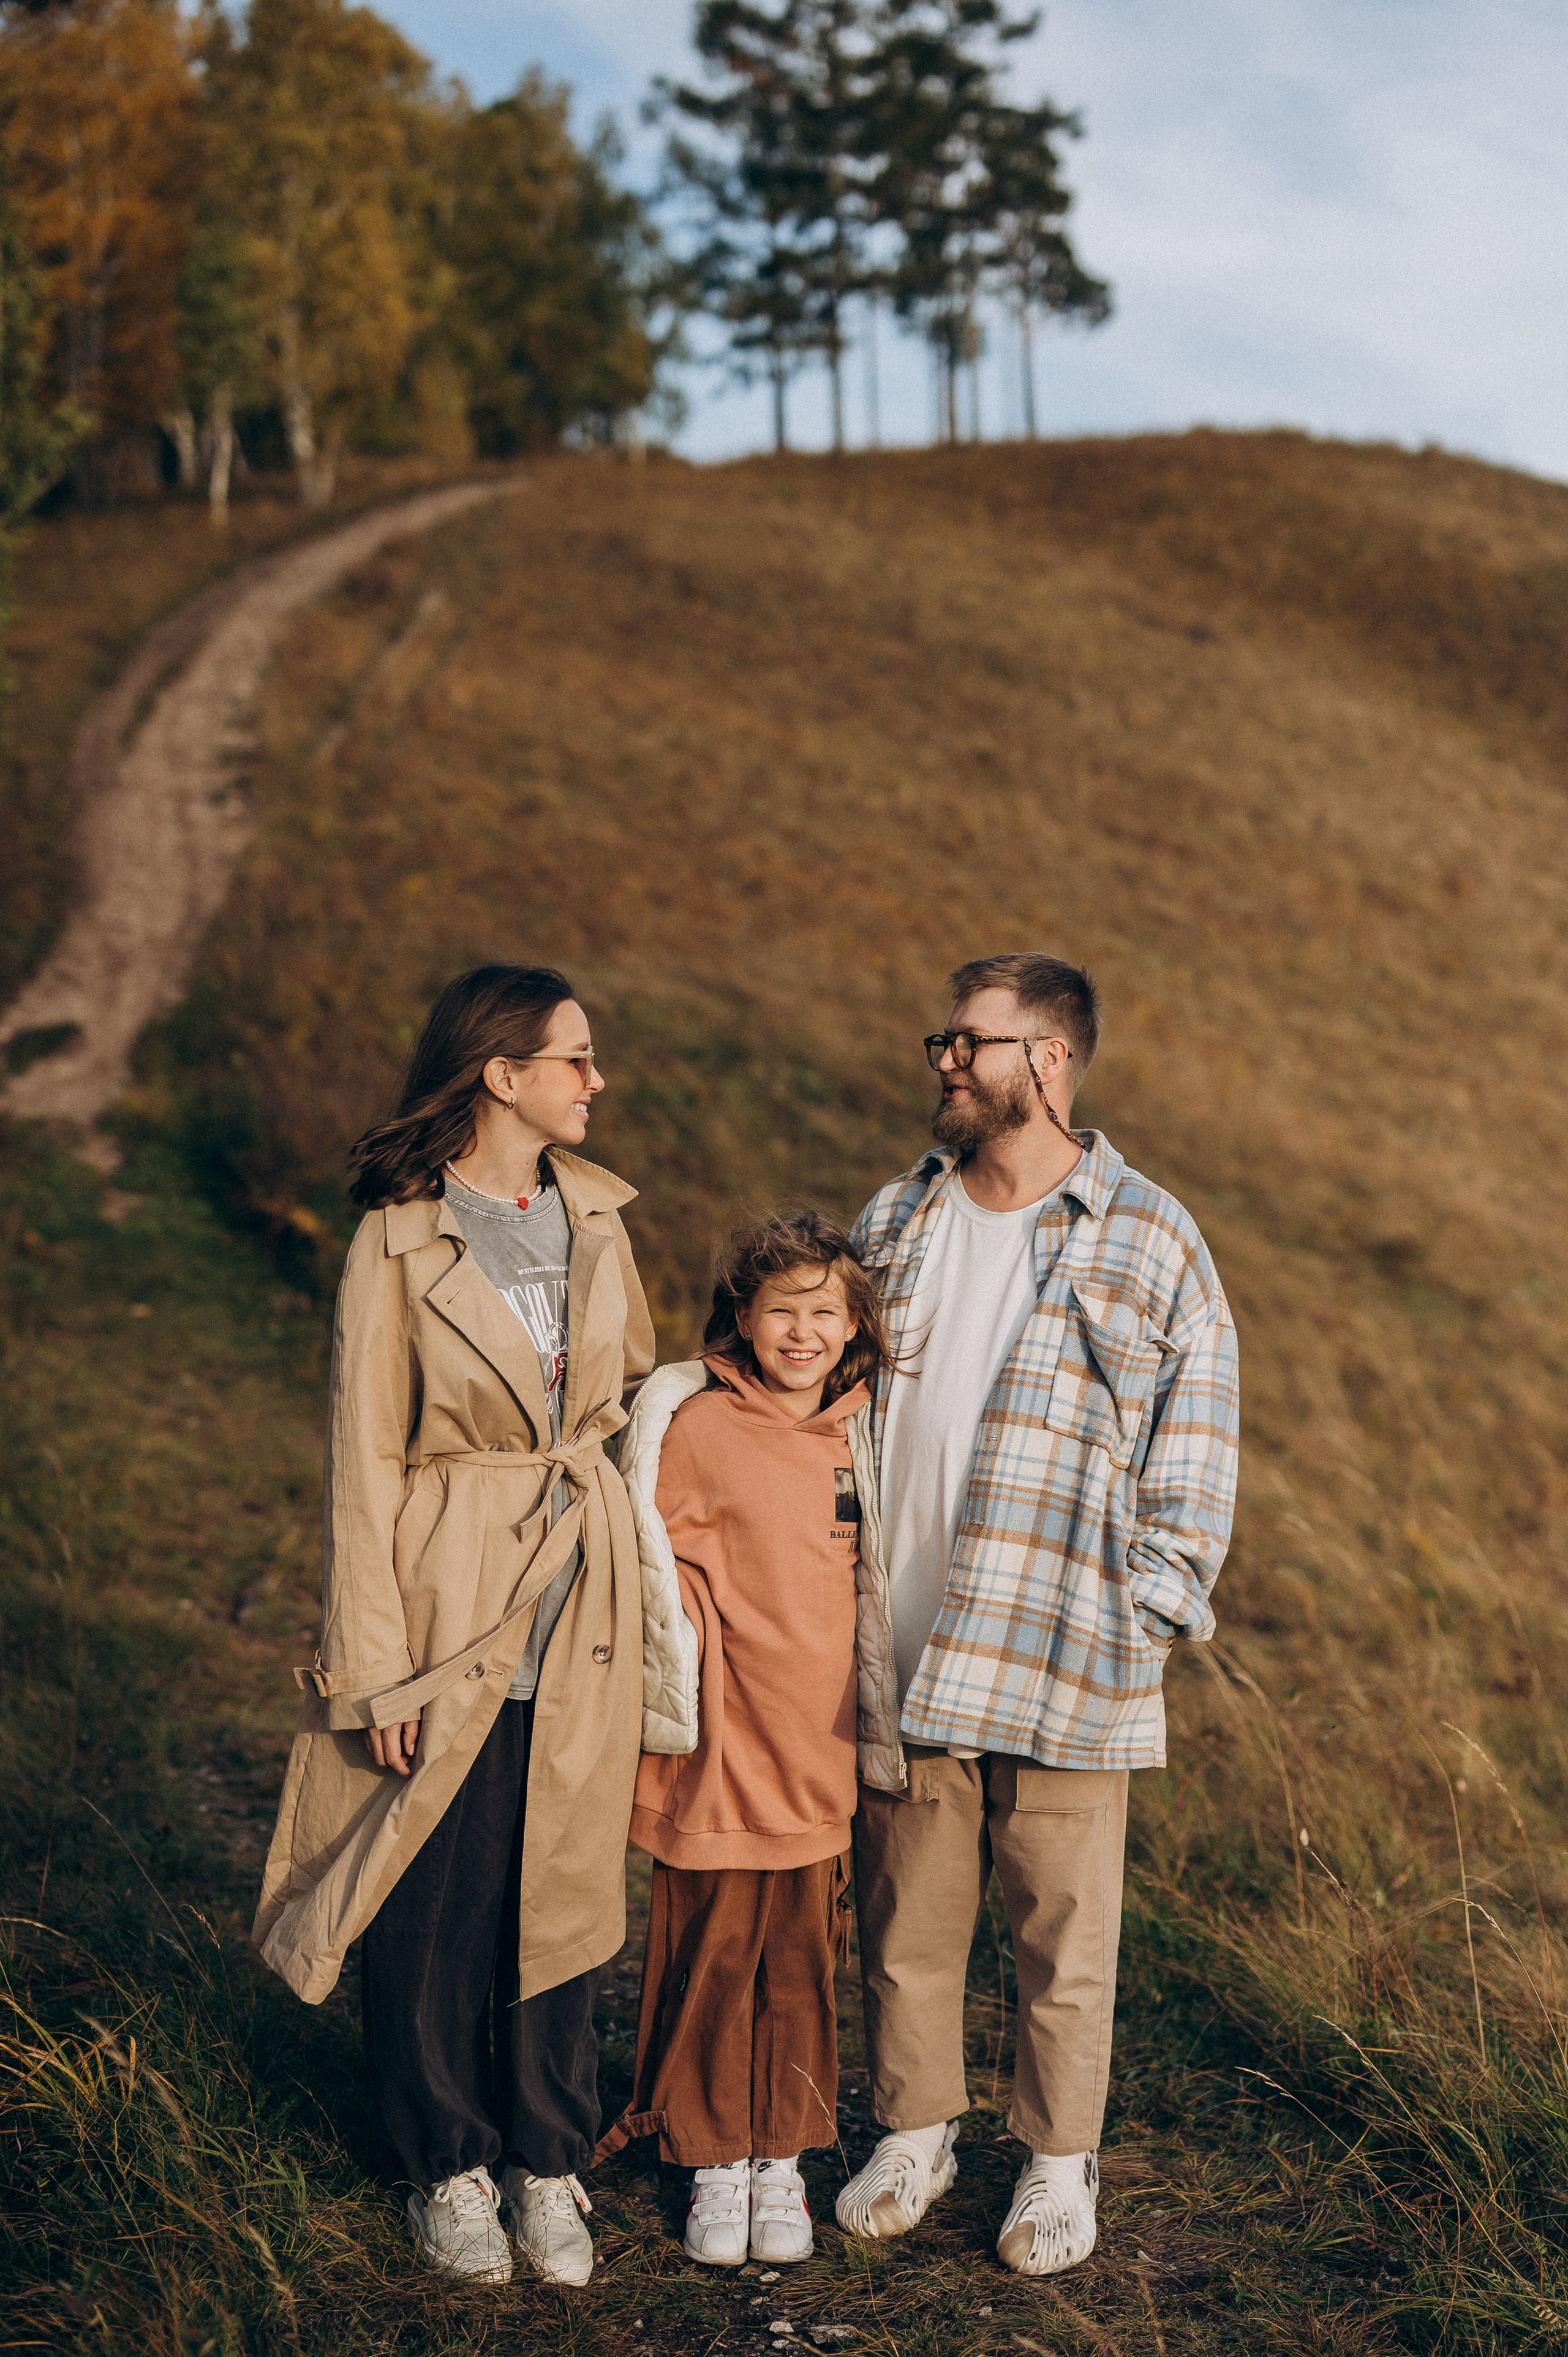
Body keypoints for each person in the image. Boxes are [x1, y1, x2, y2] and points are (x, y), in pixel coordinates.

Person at [252, 964, 698, 2290]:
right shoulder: (395, 1239)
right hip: (448, 1595)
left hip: (583, 1602)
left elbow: (622, 1399)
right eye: (574, 1058)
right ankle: (446, 2164)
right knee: (431, 1894)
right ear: (502, 1073)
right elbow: (362, 1466)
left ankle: (546, 2162)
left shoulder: (598, 1216)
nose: (594, 1082)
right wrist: (373, 1670)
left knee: (558, 1885)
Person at [835, 953, 1240, 2277]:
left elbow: (1199, 1427)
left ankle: (1056, 2164)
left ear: (1049, 1059)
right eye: (940, 1038)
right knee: (905, 1913)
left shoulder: (1148, 1231)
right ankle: (913, 2130)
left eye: (972, 1040)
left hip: (1067, 1642)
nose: (944, 1059)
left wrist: (1154, 1599)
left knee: (1062, 1933)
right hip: (901, 1633)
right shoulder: (894, 1217)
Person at [597, 1213, 889, 2267]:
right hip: (722, 1746)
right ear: (744, 1318)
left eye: (824, 1311)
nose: (803, 1332)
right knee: (714, 1952)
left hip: (820, 1752)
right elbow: (639, 1563)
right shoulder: (700, 1427)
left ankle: (785, 2156)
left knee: (803, 1960)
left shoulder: (863, 1435)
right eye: (782, 1311)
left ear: (855, 1323)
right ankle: (713, 2152)